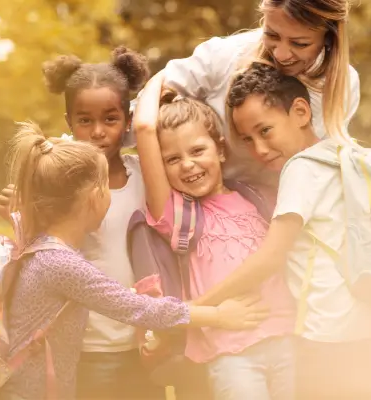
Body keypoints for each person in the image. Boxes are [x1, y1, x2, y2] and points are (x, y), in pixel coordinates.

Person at [0, 122, 269, 400]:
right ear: (94, 198)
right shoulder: (60, 264)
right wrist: (219, 316)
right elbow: (139, 308)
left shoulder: (43, 249)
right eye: (106, 187)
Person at [197, 62, 371, 399]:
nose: (259, 149)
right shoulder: (347, 154)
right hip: (368, 324)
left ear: (300, 111)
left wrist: (198, 308)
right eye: (248, 140)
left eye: (265, 131)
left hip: (325, 332)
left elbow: (270, 257)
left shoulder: (301, 169)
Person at [0, 46, 162, 400]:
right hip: (79, 349)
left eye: (111, 119)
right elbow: (40, 258)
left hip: (140, 340)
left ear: (128, 120)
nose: (98, 131)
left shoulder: (144, 175)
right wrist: (20, 220)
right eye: (85, 120)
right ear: (69, 121)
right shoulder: (55, 182)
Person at [132, 71, 296, 400]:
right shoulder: (178, 215)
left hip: (288, 339)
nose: (188, 165)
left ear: (220, 149)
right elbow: (144, 128)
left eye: (197, 151)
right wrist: (164, 77)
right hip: (231, 354)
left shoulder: (259, 197)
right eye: (173, 160)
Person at [147, 0, 371, 184]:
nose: (282, 54)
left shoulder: (343, 86)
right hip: (207, 205)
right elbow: (144, 105)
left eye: (300, 43)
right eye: (272, 35)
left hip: (277, 212)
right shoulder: (226, 56)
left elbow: (325, 158)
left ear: (329, 38)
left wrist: (364, 160)